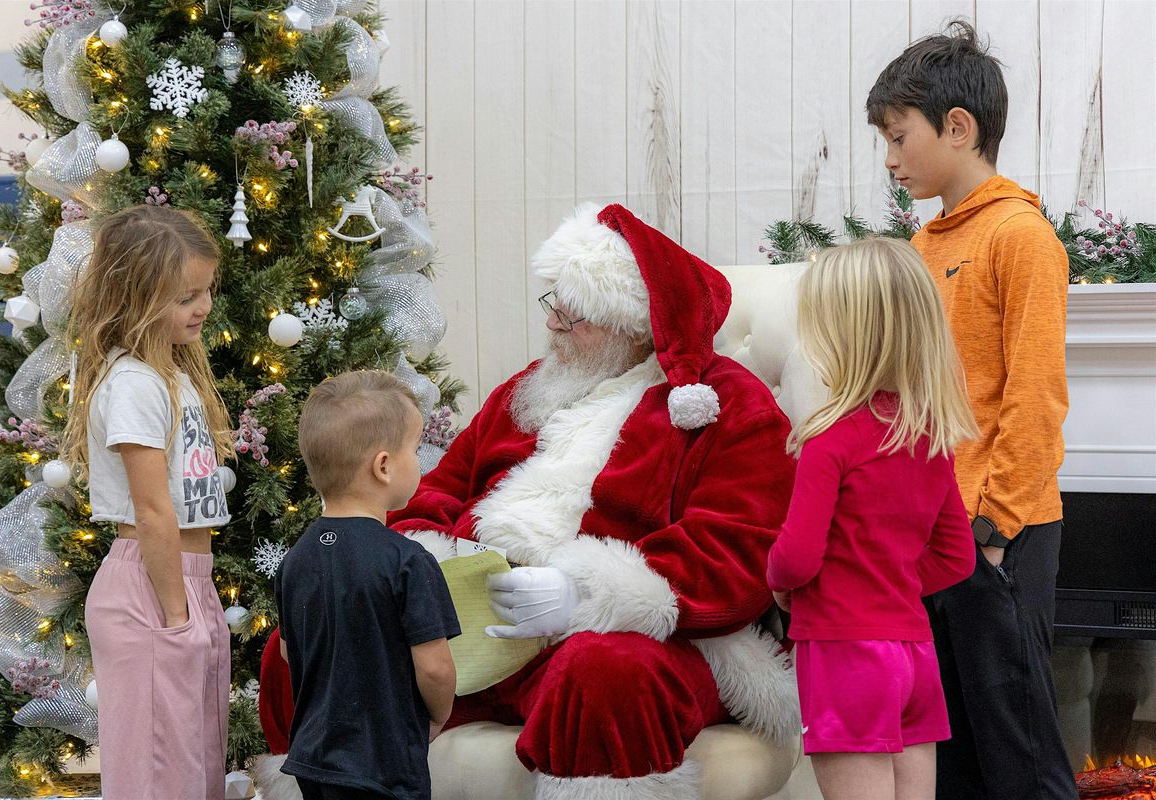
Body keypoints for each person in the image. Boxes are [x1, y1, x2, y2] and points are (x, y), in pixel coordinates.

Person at [256, 203, 802, 800]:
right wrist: (428, 568)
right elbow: (430, 495)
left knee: (605, 674)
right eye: (554, 303)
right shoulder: (526, 392)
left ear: (633, 323)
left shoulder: (726, 405)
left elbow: (740, 549)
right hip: (472, 634)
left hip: (630, 639)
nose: (556, 322)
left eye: (578, 312)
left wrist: (584, 596)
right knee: (297, 651)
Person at [867, 20, 1076, 800]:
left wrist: (996, 529)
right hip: (929, 537)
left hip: (997, 535)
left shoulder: (1020, 236)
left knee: (1019, 754)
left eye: (898, 135)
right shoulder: (923, 248)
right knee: (947, 756)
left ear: (958, 128)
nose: (889, 157)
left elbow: (1035, 393)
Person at [766, 238, 978, 800]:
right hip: (913, 653)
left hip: (843, 655)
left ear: (841, 337)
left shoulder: (828, 439)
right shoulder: (930, 439)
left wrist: (783, 586)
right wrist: (890, 583)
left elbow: (796, 556)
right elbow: (957, 556)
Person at [63, 204, 235, 799]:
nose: (203, 306)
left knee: (194, 763)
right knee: (161, 775)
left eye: (205, 290)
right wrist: (174, 615)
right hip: (153, 586)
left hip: (185, 581)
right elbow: (154, 511)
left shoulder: (169, 373)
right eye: (186, 295)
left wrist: (190, 603)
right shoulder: (135, 383)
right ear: (137, 297)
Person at [274, 370, 460, 800]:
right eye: (415, 449)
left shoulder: (296, 559)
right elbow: (434, 667)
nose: (420, 460)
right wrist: (438, 714)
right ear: (383, 466)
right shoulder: (409, 562)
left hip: (314, 759)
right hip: (385, 763)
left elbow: (288, 649)